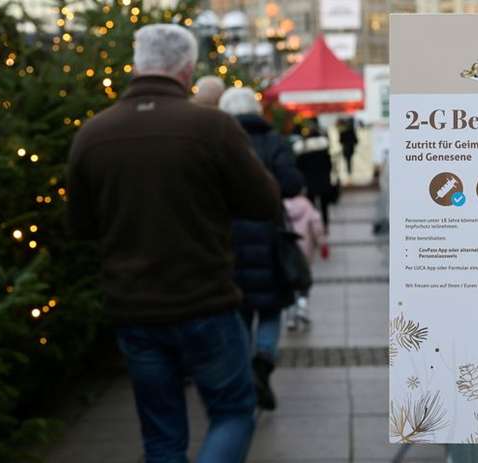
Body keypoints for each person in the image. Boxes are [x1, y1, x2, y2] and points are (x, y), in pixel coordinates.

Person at [67, 24, 281, 463]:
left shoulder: (93, 134)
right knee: (234, 412)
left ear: (137, 63)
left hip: (134, 308)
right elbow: (265, 202)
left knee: (161, 434)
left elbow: (81, 226)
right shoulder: (211, 128)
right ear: (187, 70)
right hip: (206, 301)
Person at [219, 87, 304, 411]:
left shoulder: (219, 144)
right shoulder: (274, 141)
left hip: (229, 238)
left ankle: (244, 370)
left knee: (238, 308)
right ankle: (263, 360)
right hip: (269, 236)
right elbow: (293, 183)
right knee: (271, 307)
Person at [283, 193, 328, 331]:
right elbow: (316, 227)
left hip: (287, 251)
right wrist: (322, 244)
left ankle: (290, 315)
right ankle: (302, 308)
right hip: (305, 251)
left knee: (289, 283)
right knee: (304, 282)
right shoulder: (307, 205)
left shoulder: (281, 206)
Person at [294, 123, 333, 231]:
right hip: (323, 181)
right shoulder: (323, 149)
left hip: (309, 182)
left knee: (311, 206)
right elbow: (329, 165)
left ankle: (314, 227)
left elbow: (298, 167)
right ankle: (325, 225)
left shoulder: (302, 149)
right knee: (324, 206)